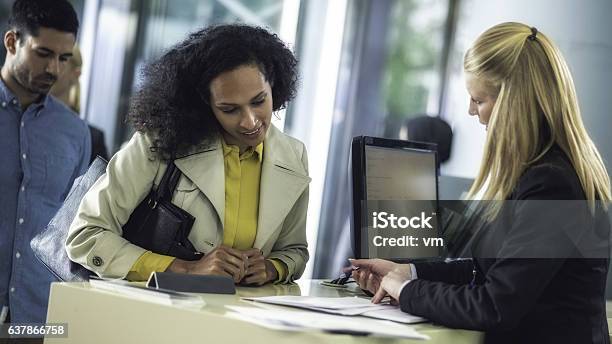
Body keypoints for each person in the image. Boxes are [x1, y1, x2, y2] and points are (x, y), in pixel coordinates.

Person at [349, 22, 611, 343]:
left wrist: (406, 290)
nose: (473, 112)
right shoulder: (537, 171)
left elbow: (495, 305)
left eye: (479, 100)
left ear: (514, 102)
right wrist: (406, 273)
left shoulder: (552, 182)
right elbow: (485, 271)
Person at [67, 24, 309, 286]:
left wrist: (272, 268)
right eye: (229, 109)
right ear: (204, 103)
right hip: (152, 315)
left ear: (275, 86)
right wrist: (186, 270)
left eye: (259, 101)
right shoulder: (160, 142)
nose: (250, 122)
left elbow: (294, 251)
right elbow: (85, 236)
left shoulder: (294, 156)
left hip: (242, 320)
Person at [0, 0, 91, 323]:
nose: (54, 69)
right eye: (43, 54)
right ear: (12, 42)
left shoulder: (76, 133)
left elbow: (74, 226)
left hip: (38, 317)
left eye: (63, 58)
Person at [50, 45, 109, 163]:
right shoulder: (25, 122)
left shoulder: (92, 138)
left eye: (61, 60)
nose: (50, 67)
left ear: (76, 74)